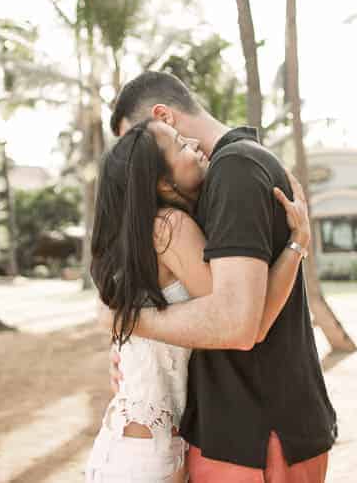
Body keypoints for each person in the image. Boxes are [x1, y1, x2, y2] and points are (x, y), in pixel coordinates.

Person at [105, 71, 336, 482]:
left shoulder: (235, 170)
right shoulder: (217, 183)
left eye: (140, 140)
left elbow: (238, 323)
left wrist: (131, 320)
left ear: (164, 117)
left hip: (258, 433)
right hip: (234, 429)